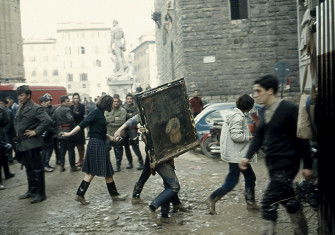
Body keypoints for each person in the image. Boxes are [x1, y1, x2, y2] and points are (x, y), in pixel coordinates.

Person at [239, 75, 313, 235]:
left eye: (258, 91)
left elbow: (303, 138)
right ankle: (301, 231)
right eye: (254, 91)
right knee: (289, 201)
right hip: (273, 165)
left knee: (267, 203)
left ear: (270, 91)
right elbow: (258, 137)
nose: (255, 95)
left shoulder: (289, 109)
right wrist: (247, 156)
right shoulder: (264, 111)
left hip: (287, 165)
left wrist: (307, 165)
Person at [114, 115, 184, 223]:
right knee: (173, 186)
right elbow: (135, 119)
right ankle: (153, 207)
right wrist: (121, 129)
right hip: (158, 152)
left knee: (166, 183)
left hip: (163, 152)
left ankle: (167, 212)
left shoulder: (168, 109)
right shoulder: (149, 109)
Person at [61, 95, 127, 205]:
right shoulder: (96, 113)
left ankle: (80, 194)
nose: (112, 105)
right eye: (111, 103)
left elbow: (99, 131)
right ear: (107, 104)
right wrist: (69, 133)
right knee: (104, 171)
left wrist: (112, 138)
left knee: (96, 171)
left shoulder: (100, 113)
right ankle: (114, 195)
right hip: (97, 144)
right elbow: (81, 125)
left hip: (97, 143)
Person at [205, 94, 258, 215]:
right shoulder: (238, 118)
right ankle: (212, 199)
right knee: (231, 182)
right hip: (237, 156)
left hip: (237, 154)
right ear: (249, 107)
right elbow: (236, 136)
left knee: (250, 177)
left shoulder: (234, 114)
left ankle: (250, 202)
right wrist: (250, 138)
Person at [14, 85, 52, 203]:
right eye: (18, 95)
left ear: (28, 95)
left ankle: (41, 194)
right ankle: (31, 190)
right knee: (29, 169)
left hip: (33, 144)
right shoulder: (21, 106)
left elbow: (47, 120)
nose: (19, 98)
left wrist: (36, 131)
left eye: (21, 95)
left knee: (37, 169)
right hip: (23, 144)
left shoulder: (36, 108)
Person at [53, 96, 78, 172]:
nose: (69, 102)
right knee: (71, 150)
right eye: (67, 101)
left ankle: (62, 166)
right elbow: (71, 119)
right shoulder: (67, 109)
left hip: (60, 132)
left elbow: (53, 120)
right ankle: (73, 167)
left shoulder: (56, 110)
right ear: (63, 102)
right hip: (68, 132)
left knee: (62, 151)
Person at [105, 96, 129, 172]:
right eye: (114, 101)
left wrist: (111, 120)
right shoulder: (107, 110)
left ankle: (118, 165)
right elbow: (105, 120)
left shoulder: (122, 110)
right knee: (106, 148)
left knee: (118, 149)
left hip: (119, 133)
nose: (115, 103)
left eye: (117, 101)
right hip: (108, 133)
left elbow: (121, 122)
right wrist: (114, 119)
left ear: (119, 102)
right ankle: (107, 165)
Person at [122, 93, 144, 170]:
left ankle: (141, 162)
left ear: (132, 99)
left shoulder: (136, 108)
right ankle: (130, 162)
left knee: (135, 147)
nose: (129, 100)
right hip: (125, 130)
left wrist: (129, 116)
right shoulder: (123, 107)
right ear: (126, 99)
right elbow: (123, 117)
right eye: (128, 99)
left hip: (133, 129)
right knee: (126, 147)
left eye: (130, 99)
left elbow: (135, 118)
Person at [38, 95, 56, 172]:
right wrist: (54, 131)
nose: (49, 102)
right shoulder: (42, 110)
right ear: (42, 103)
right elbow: (45, 124)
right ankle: (44, 165)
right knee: (46, 150)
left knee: (49, 149)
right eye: (47, 101)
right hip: (45, 134)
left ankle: (46, 164)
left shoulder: (46, 109)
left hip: (49, 133)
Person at [71, 93, 86, 167]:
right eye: (74, 98)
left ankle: (81, 160)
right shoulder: (70, 106)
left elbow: (80, 115)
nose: (76, 99)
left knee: (81, 145)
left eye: (77, 98)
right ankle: (79, 160)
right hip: (73, 128)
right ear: (72, 99)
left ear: (79, 99)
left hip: (80, 128)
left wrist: (73, 113)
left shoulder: (82, 106)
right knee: (76, 145)